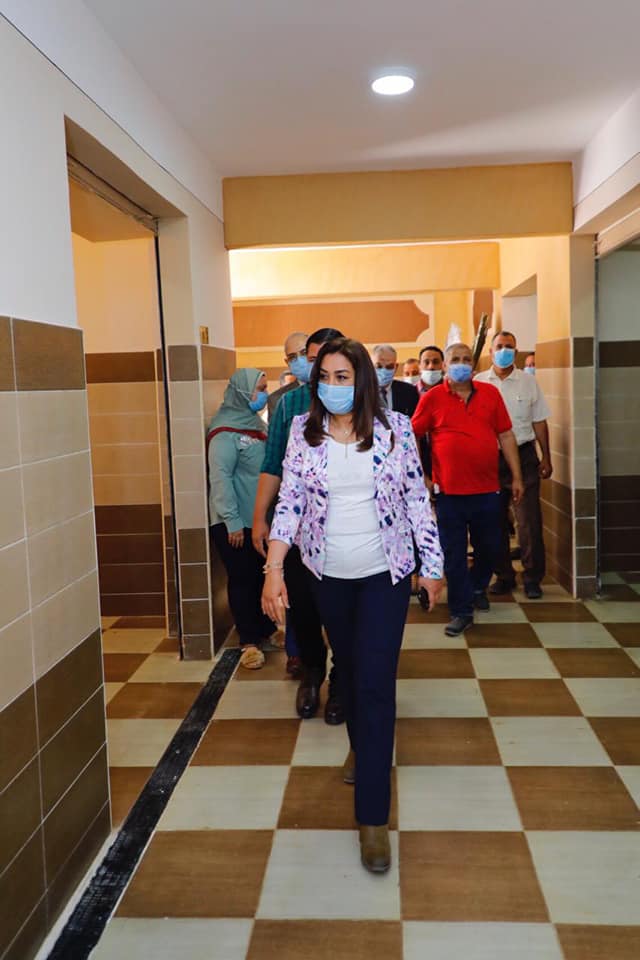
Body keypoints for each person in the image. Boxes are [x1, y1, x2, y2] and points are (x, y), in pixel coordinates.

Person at [261, 337, 443, 874]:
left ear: (362, 380)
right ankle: (363, 748)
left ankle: (372, 818)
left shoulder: (396, 430)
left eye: (343, 377)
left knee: (376, 683)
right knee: (352, 669)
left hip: (385, 575)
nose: (332, 386)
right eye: (325, 377)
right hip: (328, 577)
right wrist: (274, 569)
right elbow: (290, 502)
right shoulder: (303, 432)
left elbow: (417, 500)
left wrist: (432, 566)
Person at [253, 327, 345, 723]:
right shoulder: (289, 404)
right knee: (304, 609)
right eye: (311, 359)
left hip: (345, 532)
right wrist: (260, 517)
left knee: (342, 613)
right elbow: (273, 463)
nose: (317, 366)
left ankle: (342, 680)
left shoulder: (360, 403)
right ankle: (312, 673)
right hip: (298, 532)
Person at [412, 342, 524, 636]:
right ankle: (461, 610)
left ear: (473, 365)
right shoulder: (432, 398)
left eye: (466, 359)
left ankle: (476, 587)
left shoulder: (490, 394)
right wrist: (423, 476)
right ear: (445, 366)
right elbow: (413, 436)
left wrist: (517, 477)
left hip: (488, 490)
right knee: (454, 554)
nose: (461, 364)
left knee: (490, 547)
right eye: (455, 360)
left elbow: (506, 435)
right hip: (449, 493)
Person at [474, 331, 552, 599]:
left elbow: (539, 421)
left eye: (509, 347)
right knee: (494, 521)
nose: (504, 351)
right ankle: (504, 576)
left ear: (516, 352)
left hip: (524, 456)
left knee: (528, 521)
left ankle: (532, 578)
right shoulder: (478, 382)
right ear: (490, 351)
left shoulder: (528, 383)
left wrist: (546, 456)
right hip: (490, 459)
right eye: (499, 346)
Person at [207, 369, 276, 668]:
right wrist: (232, 521)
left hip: (257, 520)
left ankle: (265, 630)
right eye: (258, 389)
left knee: (260, 576)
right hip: (234, 523)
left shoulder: (256, 424)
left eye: (265, 387)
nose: (263, 394)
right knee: (242, 580)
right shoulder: (224, 432)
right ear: (241, 392)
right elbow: (220, 478)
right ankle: (249, 642)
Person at [266, 331, 309, 420]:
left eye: (304, 353)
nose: (299, 359)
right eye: (292, 357)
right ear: (287, 362)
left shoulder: (329, 390)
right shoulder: (277, 399)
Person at [371, 343, 419, 416]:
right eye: (379, 366)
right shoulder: (361, 392)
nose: (384, 370)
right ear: (370, 366)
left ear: (396, 367)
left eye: (389, 367)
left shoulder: (409, 391)